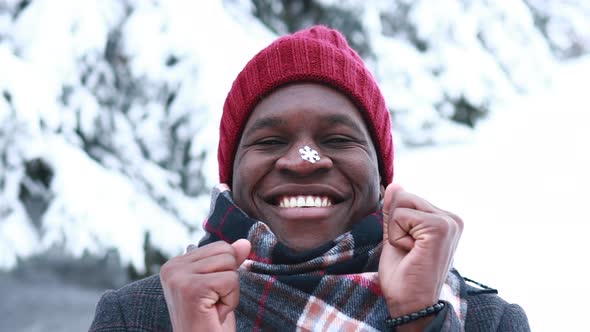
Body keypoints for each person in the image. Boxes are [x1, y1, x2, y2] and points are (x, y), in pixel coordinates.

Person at [89, 25, 529, 331]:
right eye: (270, 140)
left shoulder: (486, 323)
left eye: (337, 138)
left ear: (382, 180)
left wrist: (419, 321)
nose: (304, 160)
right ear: (231, 177)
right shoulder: (138, 316)